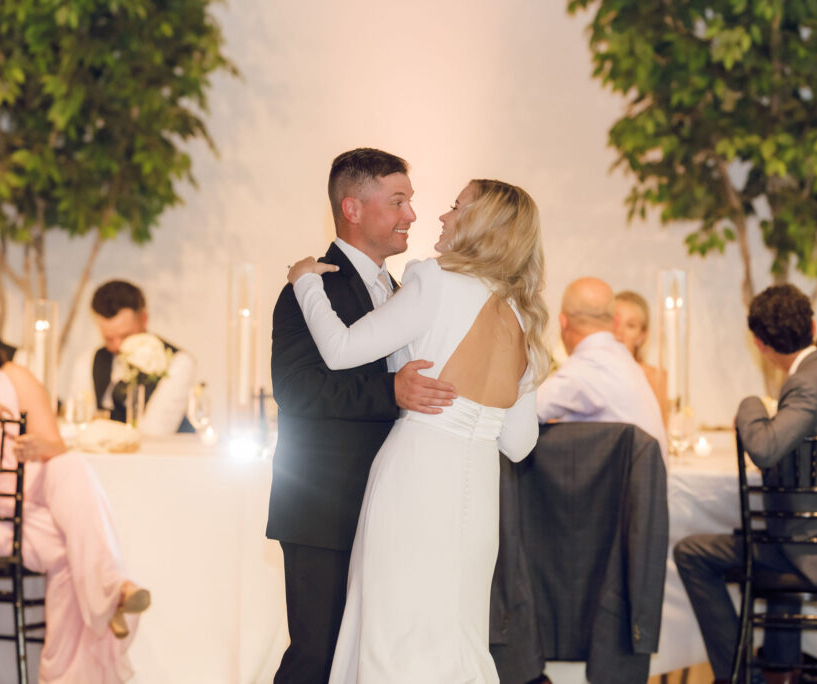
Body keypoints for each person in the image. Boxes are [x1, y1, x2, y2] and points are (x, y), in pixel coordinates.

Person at [286, 177, 547, 683]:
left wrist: (305, 283)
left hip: (417, 474)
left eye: (456, 206)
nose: (443, 217)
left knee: (391, 633)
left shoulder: (435, 280)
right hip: (479, 494)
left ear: (482, 223)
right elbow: (519, 444)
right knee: (457, 636)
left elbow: (340, 350)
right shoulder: (525, 315)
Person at [267, 148, 458, 684]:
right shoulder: (310, 289)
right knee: (317, 658)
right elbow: (296, 391)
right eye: (398, 201)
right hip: (325, 507)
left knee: (367, 660)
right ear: (352, 208)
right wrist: (390, 391)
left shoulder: (399, 291)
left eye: (410, 201)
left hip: (388, 504)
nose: (411, 215)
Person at [0, 286, 151, 683]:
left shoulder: (13, 376)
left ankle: (102, 598)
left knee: (70, 466)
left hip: (16, 514)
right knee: (72, 555)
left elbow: (54, 445)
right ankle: (108, 596)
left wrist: (36, 446)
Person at [673, 284, 817, 684]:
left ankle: (741, 676)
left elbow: (765, 449)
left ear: (759, 344)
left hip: (816, 552)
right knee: (777, 533)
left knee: (691, 552)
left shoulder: (804, 383)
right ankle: (780, 669)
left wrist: (750, 404)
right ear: (814, 327)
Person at [536, 278, 667, 460]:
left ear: (563, 322)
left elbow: (520, 416)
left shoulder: (588, 367)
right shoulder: (623, 361)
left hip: (621, 479)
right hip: (642, 477)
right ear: (615, 323)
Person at [69, 280, 195, 435]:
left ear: (144, 319)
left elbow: (156, 431)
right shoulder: (87, 362)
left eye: (125, 336)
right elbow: (80, 424)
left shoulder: (178, 362)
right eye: (108, 338)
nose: (117, 346)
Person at [614, 290, 670, 425]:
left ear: (641, 336)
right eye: (615, 322)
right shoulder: (591, 372)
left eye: (630, 325)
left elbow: (661, 428)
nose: (619, 332)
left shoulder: (655, 378)